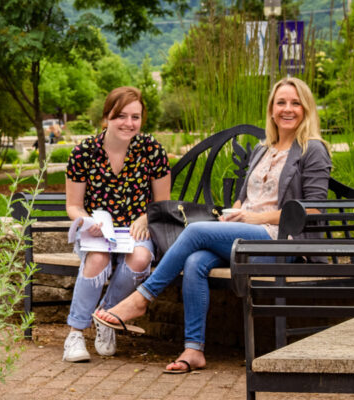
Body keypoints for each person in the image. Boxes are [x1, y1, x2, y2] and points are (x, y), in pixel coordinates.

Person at [94, 77, 332, 373]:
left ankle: (142, 298)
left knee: (194, 231)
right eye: (281, 102)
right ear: (271, 109)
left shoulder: (312, 149)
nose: (288, 109)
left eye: (295, 103)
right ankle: (194, 350)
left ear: (306, 108)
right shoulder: (263, 149)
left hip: (280, 242)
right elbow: (248, 200)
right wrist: (235, 214)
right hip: (246, 235)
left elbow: (312, 210)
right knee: (195, 261)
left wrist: (255, 218)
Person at [63, 86, 171, 362]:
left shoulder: (152, 150)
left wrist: (146, 217)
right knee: (98, 259)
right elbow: (73, 205)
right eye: (121, 116)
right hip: (98, 232)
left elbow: (162, 203)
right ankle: (75, 333)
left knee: (141, 256)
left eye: (135, 117)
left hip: (137, 229)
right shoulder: (84, 152)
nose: (128, 123)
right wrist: (87, 220)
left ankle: (107, 318)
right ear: (106, 117)